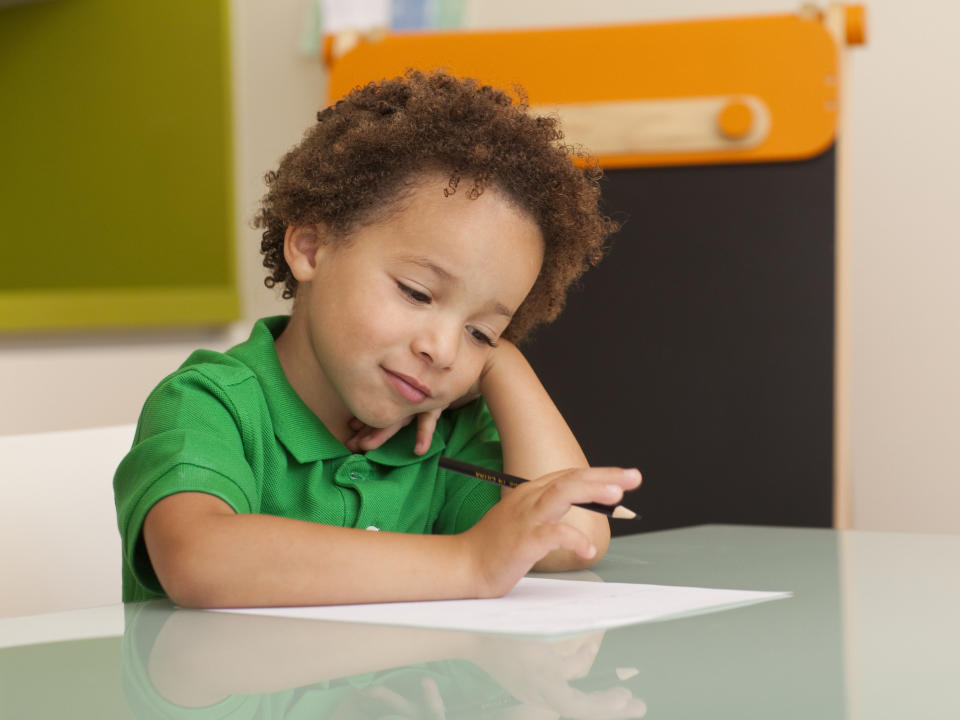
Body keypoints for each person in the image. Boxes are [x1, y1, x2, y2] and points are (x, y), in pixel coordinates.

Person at [113, 70, 641, 608]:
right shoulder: (208, 404)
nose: (444, 349)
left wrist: (504, 365)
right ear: (312, 247)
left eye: (481, 331)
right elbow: (200, 560)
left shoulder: (441, 433)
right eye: (416, 293)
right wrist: (469, 562)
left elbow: (574, 539)